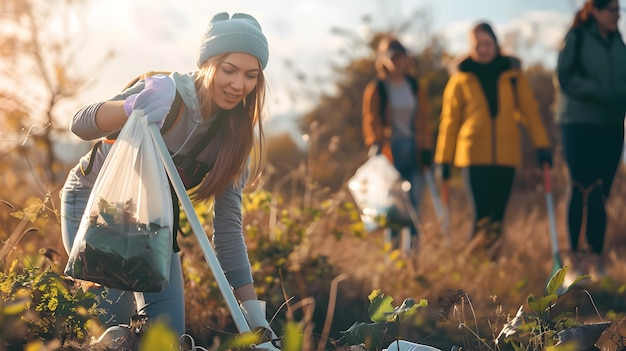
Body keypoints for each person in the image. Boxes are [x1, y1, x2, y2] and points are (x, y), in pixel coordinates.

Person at [60, 12, 279, 345]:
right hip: (93, 207)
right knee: (114, 327)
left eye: (251, 75)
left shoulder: (234, 142)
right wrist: (132, 105)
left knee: (165, 337)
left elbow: (228, 231)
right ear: (207, 63)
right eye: (229, 70)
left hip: (151, 223)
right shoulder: (166, 92)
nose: (239, 85)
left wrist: (254, 317)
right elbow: (80, 125)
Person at [434, 22, 552, 259]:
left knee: (498, 216)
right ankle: (474, 266)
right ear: (470, 47)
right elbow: (449, 122)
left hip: (507, 155)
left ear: (496, 44)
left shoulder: (513, 75)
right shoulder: (460, 78)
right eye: (478, 44)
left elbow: (529, 111)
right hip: (472, 156)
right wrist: (443, 159)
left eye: (487, 43)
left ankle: (494, 266)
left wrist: (542, 145)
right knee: (481, 215)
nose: (483, 49)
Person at [556, 0, 626, 283]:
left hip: (611, 125)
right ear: (595, 10)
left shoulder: (619, 43)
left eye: (620, 11)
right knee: (581, 187)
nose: (617, 16)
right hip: (579, 123)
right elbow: (565, 77)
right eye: (612, 10)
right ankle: (574, 261)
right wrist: (599, 91)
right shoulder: (577, 37)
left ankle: (596, 261)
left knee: (600, 192)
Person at [361, 37, 433, 247]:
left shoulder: (414, 85)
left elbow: (424, 119)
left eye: (400, 57)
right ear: (384, 60)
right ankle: (392, 255)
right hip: (389, 152)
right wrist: (375, 145)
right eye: (392, 58)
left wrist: (427, 148)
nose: (397, 62)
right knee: (392, 208)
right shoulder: (378, 88)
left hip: (415, 150)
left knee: (413, 206)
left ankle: (412, 257)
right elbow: (371, 119)